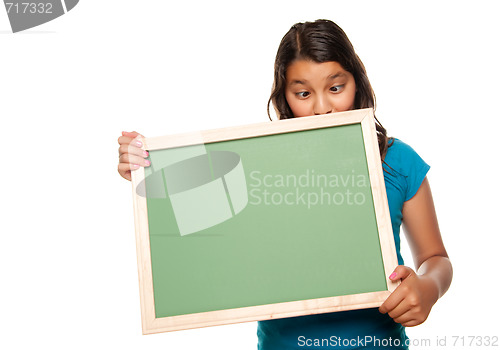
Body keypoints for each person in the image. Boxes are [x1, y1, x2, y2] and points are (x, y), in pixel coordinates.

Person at [117, 19, 452, 349]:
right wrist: (148, 164)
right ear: (285, 97)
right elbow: (199, 228)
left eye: (336, 87)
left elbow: (436, 257)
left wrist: (428, 287)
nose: (322, 108)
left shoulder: (398, 162)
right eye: (304, 93)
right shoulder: (259, 164)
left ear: (357, 83)